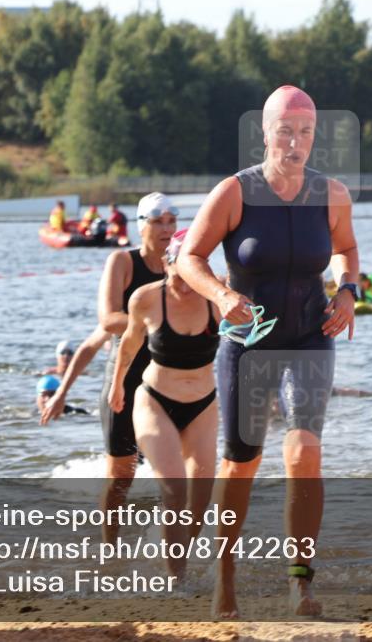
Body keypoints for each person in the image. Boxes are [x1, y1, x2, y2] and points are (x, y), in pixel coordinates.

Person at [177, 85, 359, 618]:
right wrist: (223, 295)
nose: (295, 143)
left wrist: (348, 291)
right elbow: (190, 257)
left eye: (305, 133)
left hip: (309, 336)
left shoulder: (331, 194)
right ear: (265, 133)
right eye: (285, 131)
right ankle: (224, 577)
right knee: (241, 464)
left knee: (305, 455)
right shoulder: (235, 193)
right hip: (247, 344)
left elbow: (347, 251)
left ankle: (301, 583)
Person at [41, 192, 177, 542]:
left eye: (172, 221)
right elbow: (103, 326)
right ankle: (109, 545)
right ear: (141, 225)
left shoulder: (179, 264)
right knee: (121, 475)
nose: (166, 228)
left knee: (177, 471)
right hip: (124, 385)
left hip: (166, 384)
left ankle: (171, 547)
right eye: (158, 221)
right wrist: (61, 395)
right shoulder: (123, 262)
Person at [109, 229, 220, 581]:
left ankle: (168, 551)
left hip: (203, 404)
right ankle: (177, 581)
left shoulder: (217, 298)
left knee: (200, 500)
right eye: (178, 274)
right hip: (155, 400)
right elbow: (128, 345)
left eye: (193, 275)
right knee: (174, 488)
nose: (185, 285)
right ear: (166, 264)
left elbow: (252, 334)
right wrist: (116, 386)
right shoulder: (145, 299)